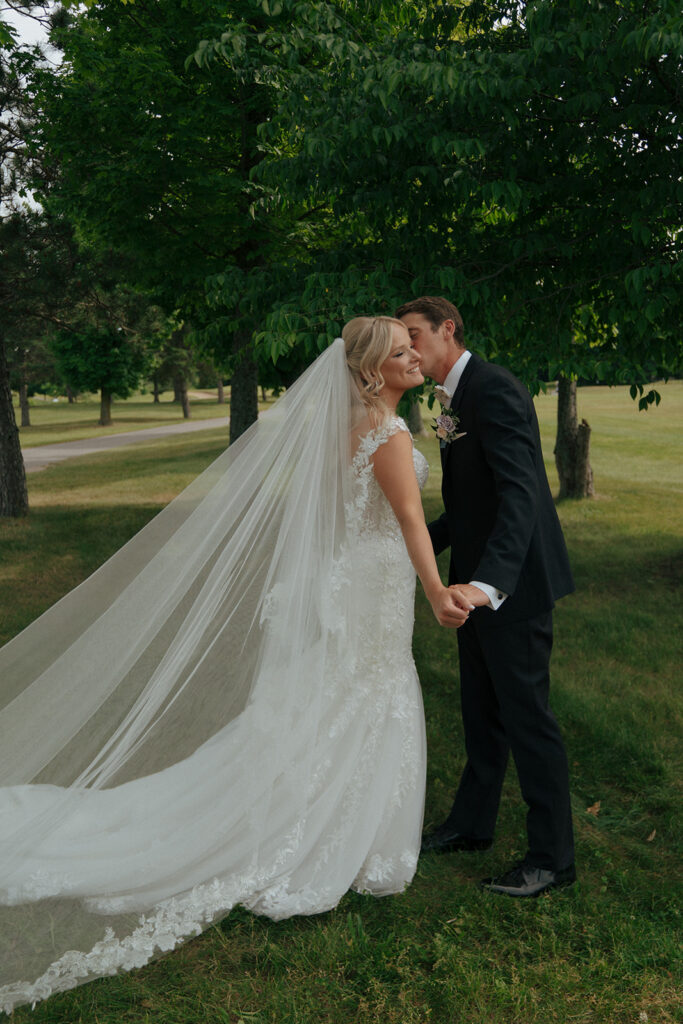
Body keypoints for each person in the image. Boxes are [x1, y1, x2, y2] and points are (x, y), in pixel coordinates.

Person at [0, 317, 467, 1014]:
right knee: (369, 692)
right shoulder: (391, 435)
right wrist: (436, 590)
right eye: (400, 354)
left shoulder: (348, 428)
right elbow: (405, 520)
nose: (413, 360)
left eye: (411, 350)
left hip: (353, 576)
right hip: (375, 582)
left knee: (350, 693)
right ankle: (335, 840)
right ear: (372, 371)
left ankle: (342, 821)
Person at [397, 296, 576, 897]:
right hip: (470, 587)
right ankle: (472, 824)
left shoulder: (494, 388)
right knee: (481, 713)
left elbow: (523, 493)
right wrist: (412, 552)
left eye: (416, 334)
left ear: (448, 329)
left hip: (512, 588)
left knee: (529, 721)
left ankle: (552, 859)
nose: (410, 348)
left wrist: (485, 584)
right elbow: (473, 505)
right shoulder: (452, 398)